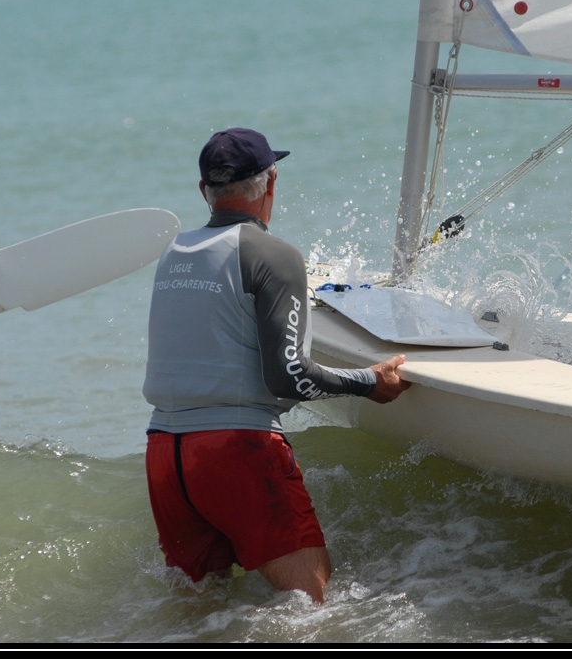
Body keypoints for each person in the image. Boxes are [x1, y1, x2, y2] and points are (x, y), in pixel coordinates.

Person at [143, 127, 410, 603]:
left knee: (197, 614)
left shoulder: (173, 253)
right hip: (237, 451)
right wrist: (369, 381)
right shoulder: (274, 255)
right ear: (271, 183)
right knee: (311, 604)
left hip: (166, 455)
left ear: (205, 192)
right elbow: (287, 376)